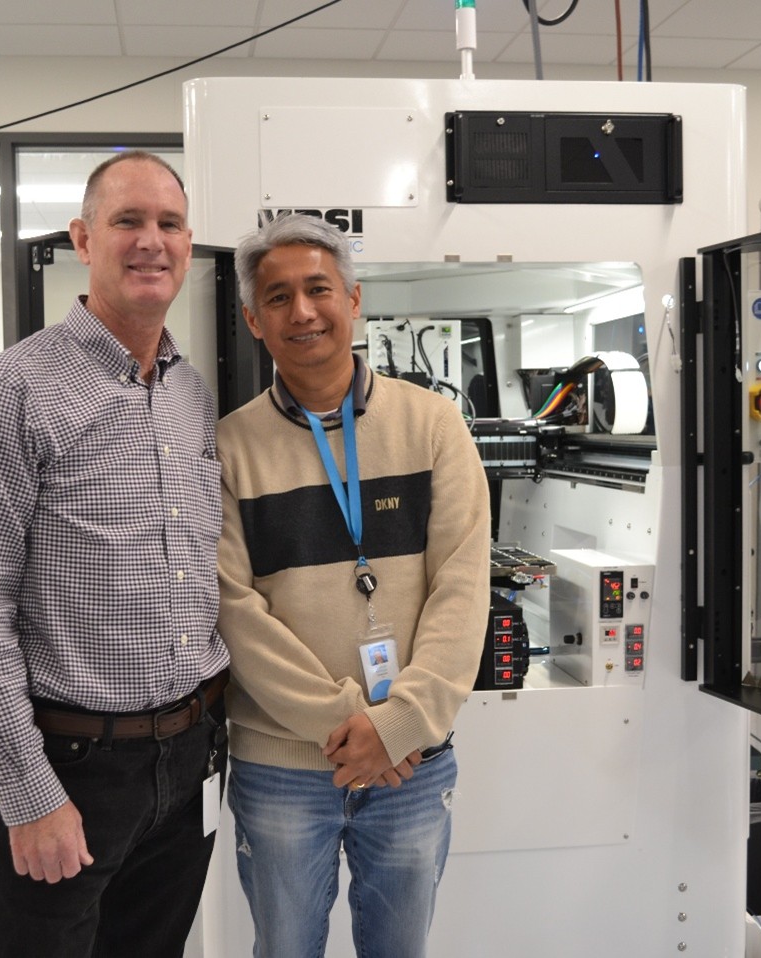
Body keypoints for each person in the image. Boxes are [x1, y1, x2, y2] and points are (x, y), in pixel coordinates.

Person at [0, 151, 229, 958]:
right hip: (71, 766)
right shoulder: (10, 391)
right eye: (127, 221)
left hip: (190, 755)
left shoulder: (190, 393)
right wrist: (27, 794)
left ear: (189, 245)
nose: (150, 242)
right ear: (83, 239)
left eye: (168, 224)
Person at [216, 213, 491, 958]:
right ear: (252, 318)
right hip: (281, 768)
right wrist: (350, 725)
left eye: (318, 289)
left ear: (353, 298)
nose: (302, 312)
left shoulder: (433, 425)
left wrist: (399, 724)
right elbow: (234, 612)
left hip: (410, 765)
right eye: (278, 297)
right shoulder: (230, 447)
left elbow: (464, 588)